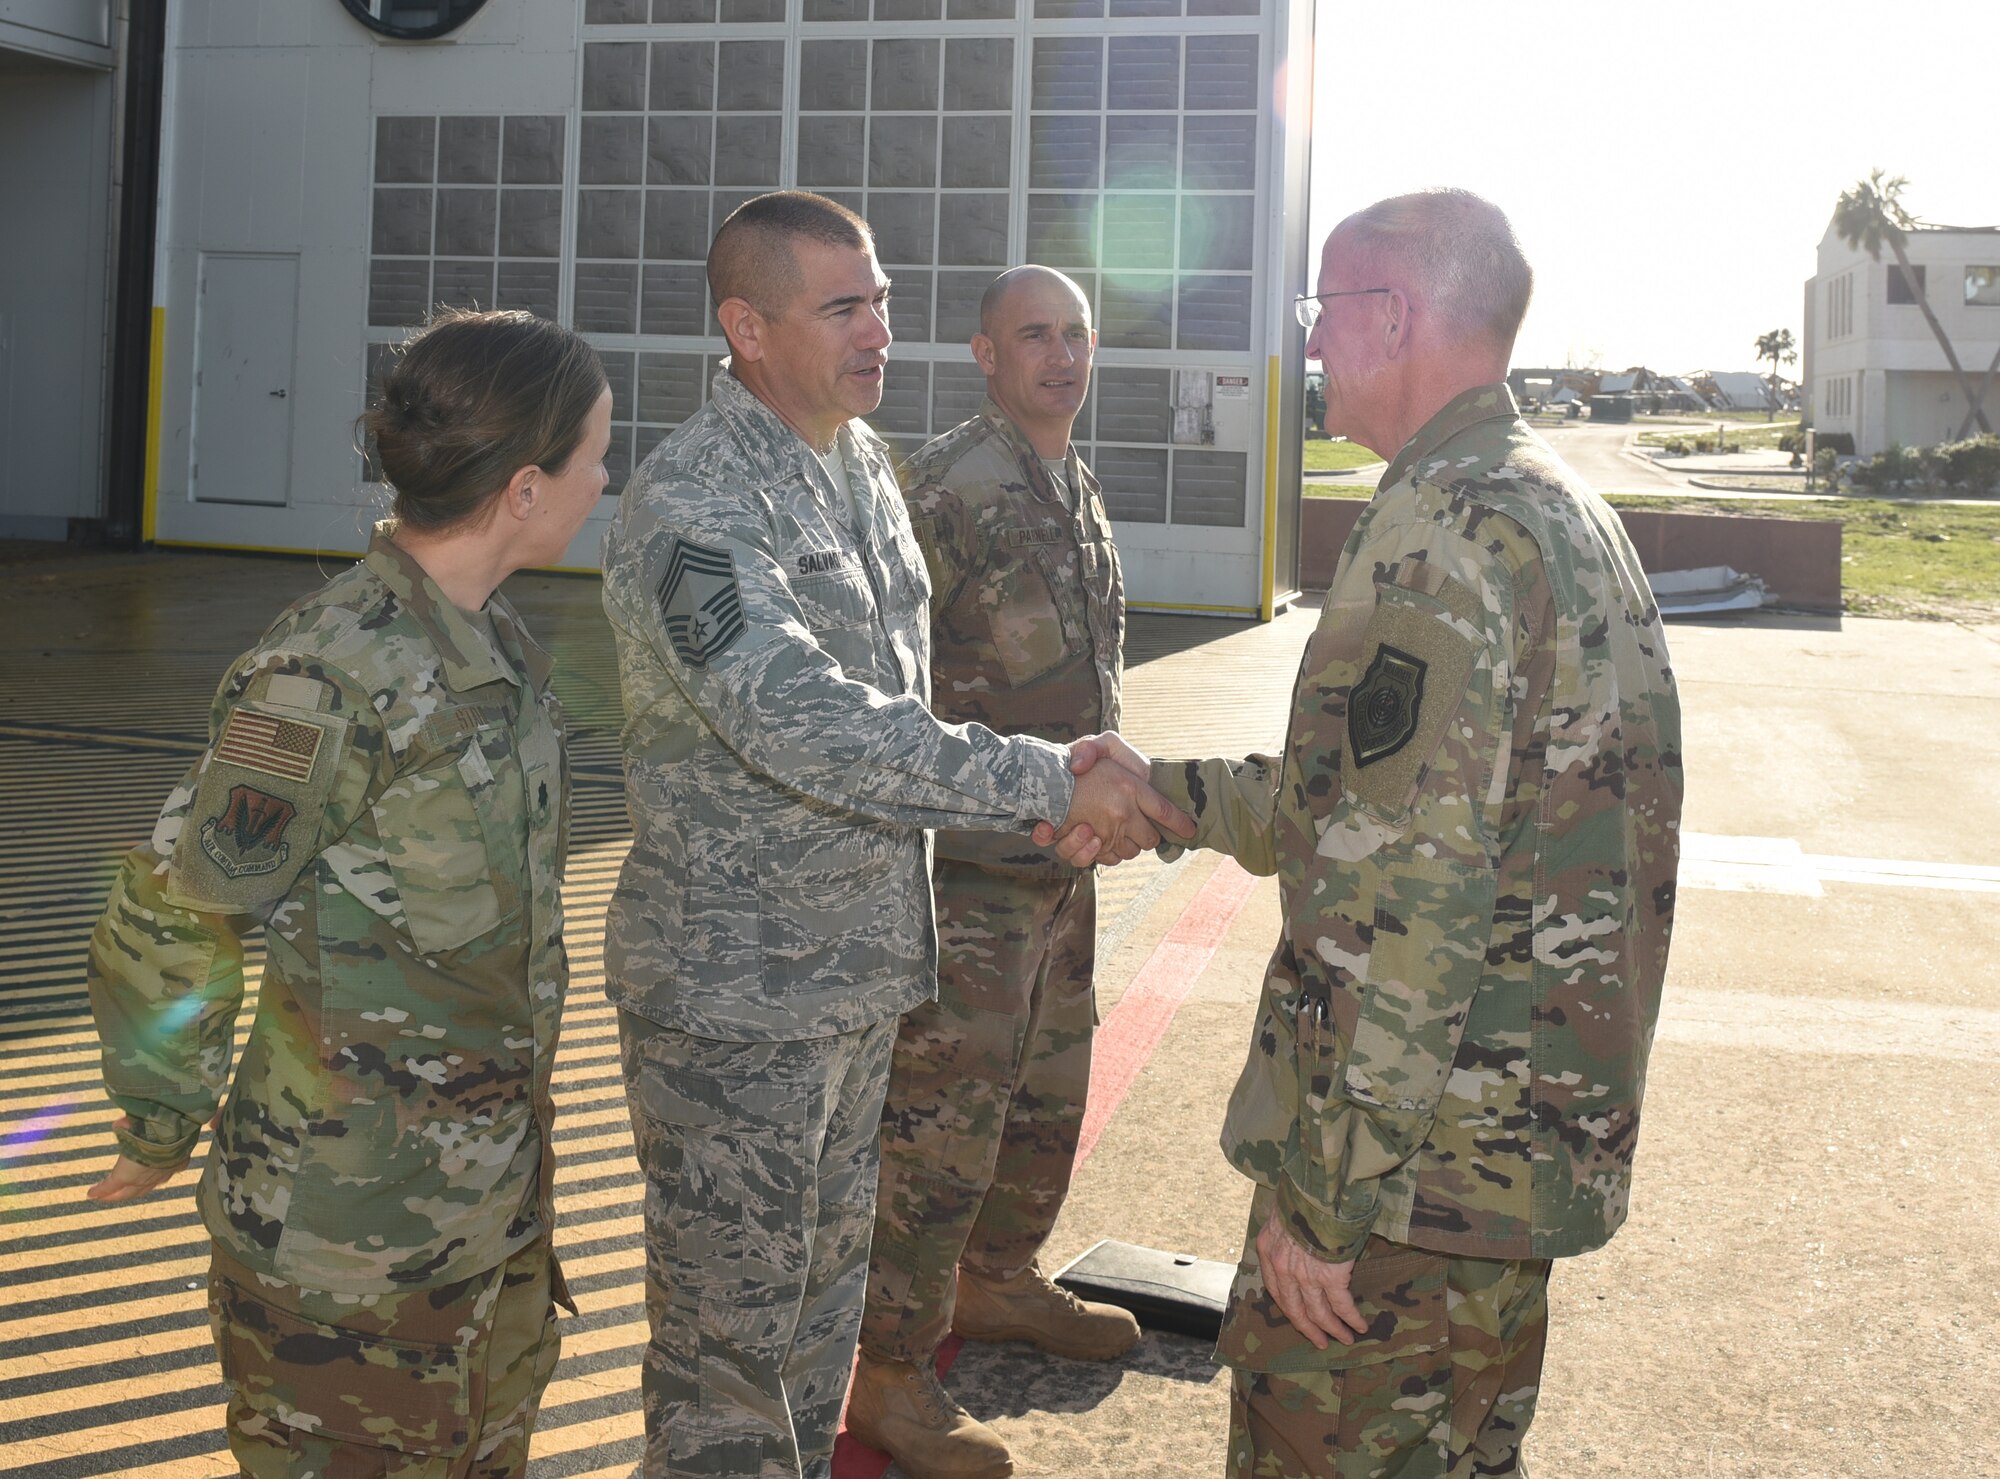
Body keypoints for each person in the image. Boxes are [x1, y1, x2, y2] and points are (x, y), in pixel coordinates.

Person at [1052, 189, 1684, 1476]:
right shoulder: (1554, 509)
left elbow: (1408, 906)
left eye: (1322, 313)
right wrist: (1161, 786)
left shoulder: (1441, 532)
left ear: (1390, 314)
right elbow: (1361, 804)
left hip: (1404, 1191)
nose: (1311, 346)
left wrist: (1328, 1203)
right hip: (1502, 1173)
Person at [597, 193, 1189, 1479]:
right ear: (745, 327)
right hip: (739, 996)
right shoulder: (696, 503)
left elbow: (903, 700)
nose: (878, 331)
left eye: (879, 300)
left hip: (860, 977)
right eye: (841, 307)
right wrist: (1046, 775)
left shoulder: (859, 469)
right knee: (728, 1359)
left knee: (817, 1327)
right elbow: (805, 720)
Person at [85, 308, 612, 1478]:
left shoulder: (500, 647)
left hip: (485, 1217)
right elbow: (180, 911)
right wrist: (160, 1117)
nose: (607, 478)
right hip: (346, 1251)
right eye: (597, 454)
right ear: (525, 487)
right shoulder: (330, 677)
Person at [849, 266, 1134, 1479]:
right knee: (934, 1132)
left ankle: (998, 1280)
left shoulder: (1068, 476)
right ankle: (883, 1370)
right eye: (1034, 336)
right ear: (981, 353)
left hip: (1058, 862)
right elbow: (874, 672)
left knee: (1042, 1096)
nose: (1061, 356)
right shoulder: (949, 489)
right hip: (966, 874)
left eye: (1075, 334)